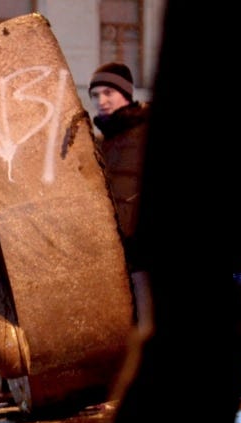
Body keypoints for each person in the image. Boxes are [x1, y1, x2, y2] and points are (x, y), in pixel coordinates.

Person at [89, 62, 150, 324]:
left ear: (126, 93)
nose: (101, 101)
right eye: (96, 95)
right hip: (112, 261)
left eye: (108, 93)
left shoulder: (145, 134)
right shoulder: (100, 143)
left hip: (143, 258)